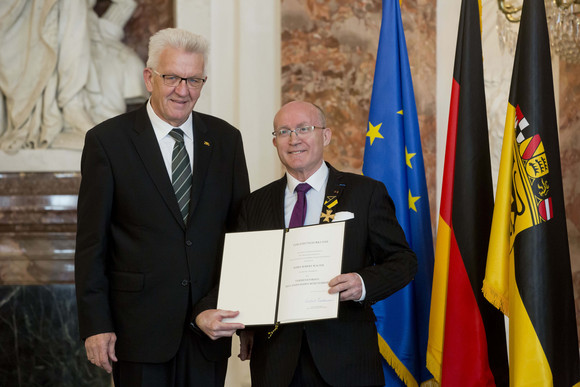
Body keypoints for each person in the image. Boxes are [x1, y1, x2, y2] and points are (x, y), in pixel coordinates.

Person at [74, 28, 249, 387]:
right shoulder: (107, 142)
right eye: (172, 77)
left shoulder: (226, 139)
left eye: (194, 80)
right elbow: (92, 244)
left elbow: (240, 236)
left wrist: (244, 313)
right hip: (137, 333)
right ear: (149, 77)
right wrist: (96, 325)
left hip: (209, 331)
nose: (183, 91)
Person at [237, 101, 417, 386]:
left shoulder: (365, 193)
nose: (294, 139)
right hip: (276, 362)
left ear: (326, 136)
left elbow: (404, 261)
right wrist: (245, 326)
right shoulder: (254, 204)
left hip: (347, 358)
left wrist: (362, 282)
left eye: (304, 129)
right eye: (283, 131)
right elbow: (244, 275)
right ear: (275, 142)